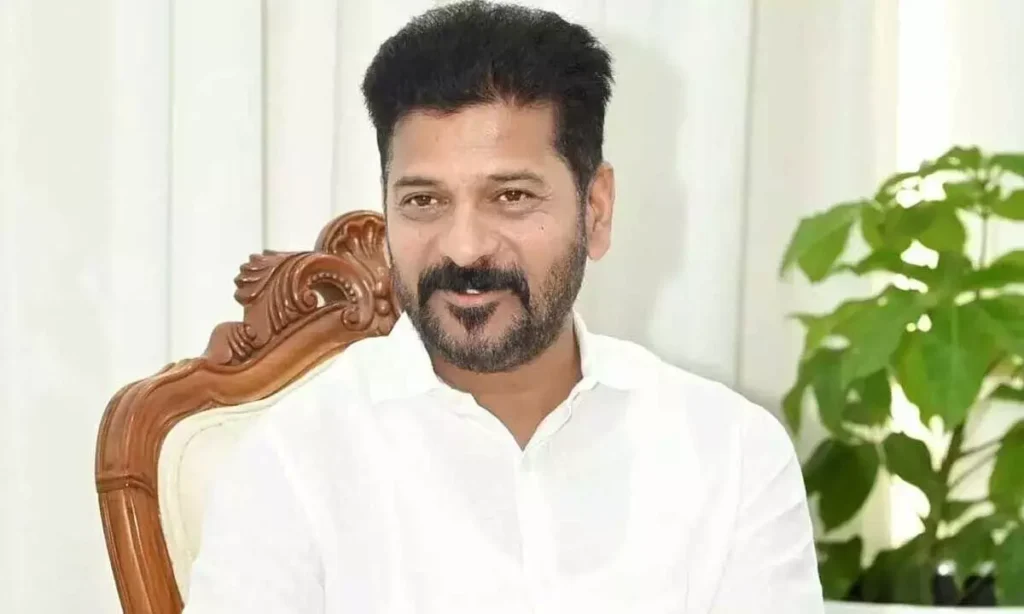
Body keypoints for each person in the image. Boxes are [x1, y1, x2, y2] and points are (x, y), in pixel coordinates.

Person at [183, 1, 824, 612]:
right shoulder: (292, 464)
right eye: (424, 201)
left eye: (511, 196)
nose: (464, 247)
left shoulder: (731, 454)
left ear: (596, 210)